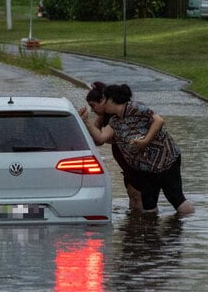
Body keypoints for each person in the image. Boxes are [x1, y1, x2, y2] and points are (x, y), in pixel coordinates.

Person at [82, 83, 195, 216]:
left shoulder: (134, 108)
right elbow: (101, 138)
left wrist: (145, 141)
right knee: (148, 206)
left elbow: (159, 121)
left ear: (111, 100)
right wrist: (86, 122)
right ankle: (151, 234)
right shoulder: (115, 121)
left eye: (104, 100)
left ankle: (189, 225)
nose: (103, 104)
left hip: (166, 160)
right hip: (146, 169)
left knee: (176, 198)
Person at [80, 81, 144, 212]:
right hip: (124, 159)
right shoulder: (102, 117)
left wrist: (87, 123)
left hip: (131, 159)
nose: (93, 109)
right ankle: (134, 222)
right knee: (132, 193)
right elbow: (97, 141)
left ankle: (140, 222)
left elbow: (102, 138)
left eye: (93, 105)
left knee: (136, 193)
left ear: (103, 102)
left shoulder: (117, 118)